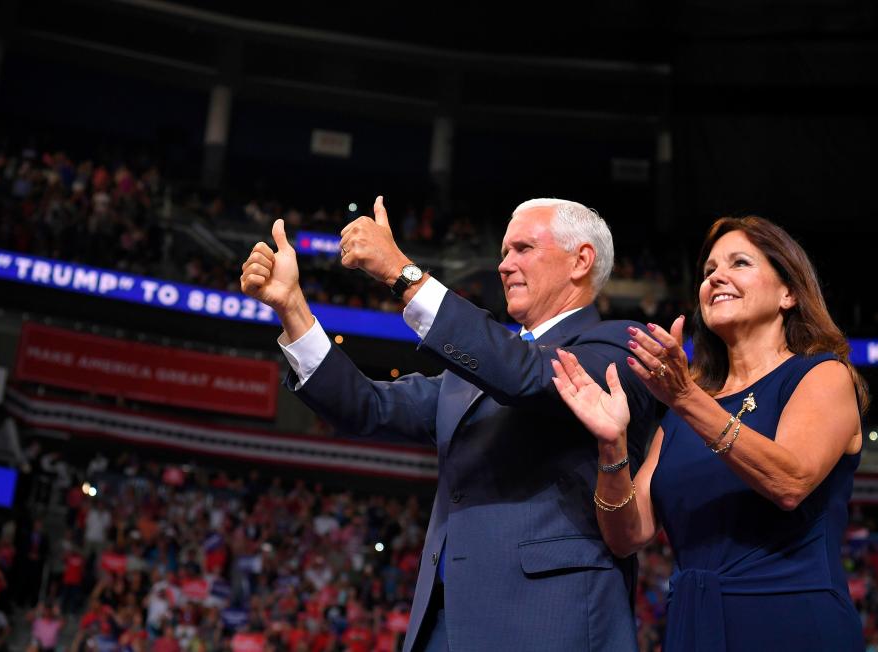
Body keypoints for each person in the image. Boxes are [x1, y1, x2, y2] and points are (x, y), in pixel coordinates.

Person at [241, 196, 655, 651]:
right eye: (503, 253)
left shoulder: (621, 346)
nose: (504, 265)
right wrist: (293, 309)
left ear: (581, 260)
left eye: (522, 249)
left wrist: (402, 272)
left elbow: (527, 376)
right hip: (445, 623)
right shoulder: (470, 375)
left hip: (549, 621)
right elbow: (366, 408)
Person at [551, 216, 868, 651]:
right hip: (692, 626)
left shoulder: (822, 376)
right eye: (708, 271)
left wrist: (685, 398)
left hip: (792, 621)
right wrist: (613, 445)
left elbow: (791, 482)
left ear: (788, 292)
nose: (716, 277)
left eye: (739, 263)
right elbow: (627, 535)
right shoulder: (684, 409)